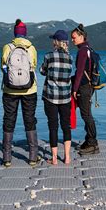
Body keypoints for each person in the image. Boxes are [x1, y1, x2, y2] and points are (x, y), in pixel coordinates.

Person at [1, 19, 41, 167]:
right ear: (25, 33)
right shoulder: (31, 48)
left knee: (9, 119)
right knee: (29, 119)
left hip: (10, 90)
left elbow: (3, 66)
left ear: (14, 33)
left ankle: (6, 158)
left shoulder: (7, 47)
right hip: (29, 89)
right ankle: (33, 157)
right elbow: (34, 66)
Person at [40, 30, 73, 164]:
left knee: (53, 126)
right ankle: (67, 157)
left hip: (51, 96)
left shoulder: (49, 56)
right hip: (65, 97)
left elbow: (42, 71)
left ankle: (54, 158)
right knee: (66, 125)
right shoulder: (70, 58)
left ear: (56, 41)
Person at [71, 24, 99, 155]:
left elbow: (80, 71)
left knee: (86, 115)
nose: (72, 40)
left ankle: (93, 144)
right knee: (87, 113)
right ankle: (89, 140)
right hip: (89, 86)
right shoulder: (88, 49)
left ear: (81, 37)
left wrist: (75, 89)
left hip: (84, 87)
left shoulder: (82, 51)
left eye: (74, 37)